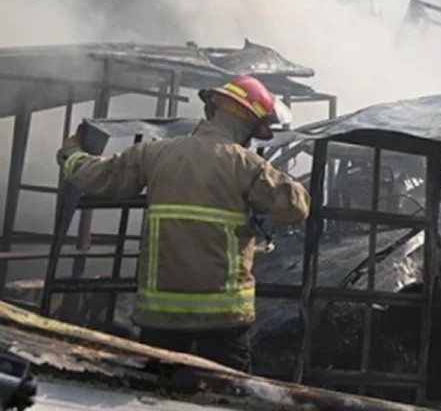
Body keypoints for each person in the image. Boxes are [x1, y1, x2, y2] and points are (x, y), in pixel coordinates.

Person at [55, 75, 309, 371]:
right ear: (248, 123)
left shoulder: (155, 153)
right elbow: (296, 208)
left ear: (213, 110)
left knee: (154, 391)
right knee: (225, 393)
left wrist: (71, 153)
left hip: (161, 317)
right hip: (223, 320)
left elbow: (96, 175)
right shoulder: (247, 166)